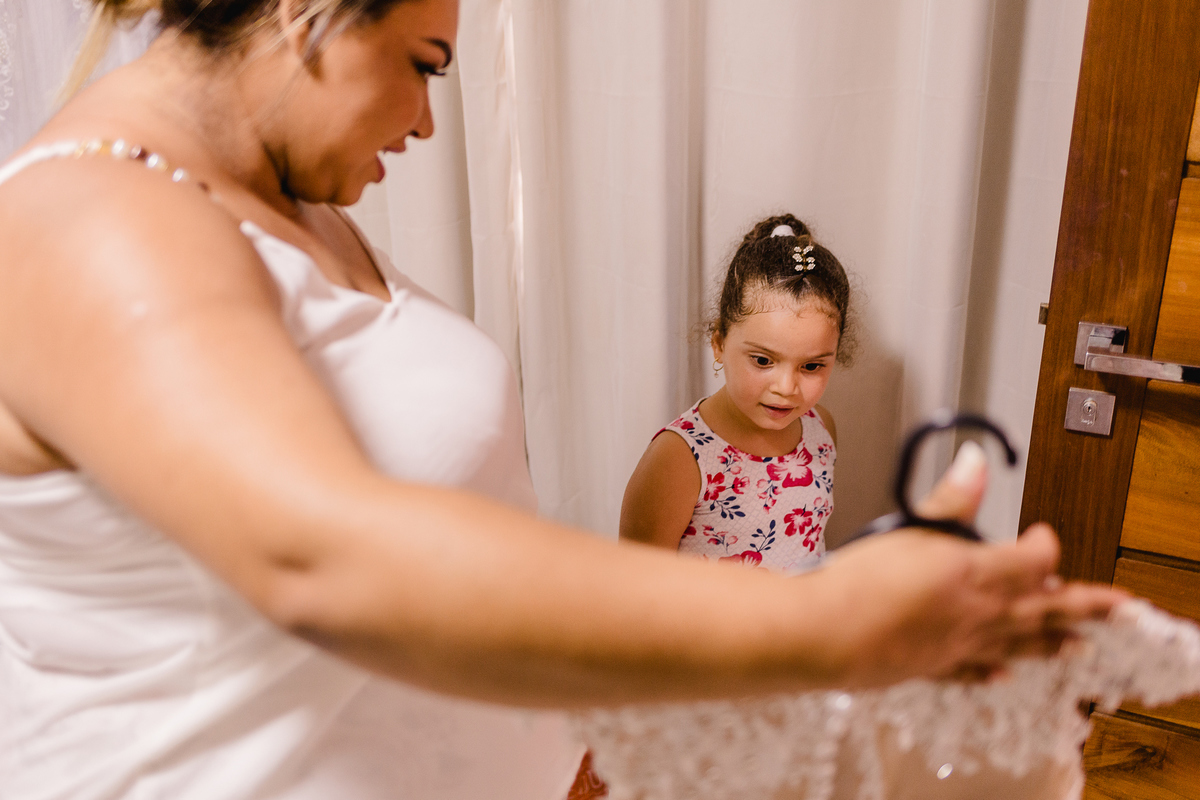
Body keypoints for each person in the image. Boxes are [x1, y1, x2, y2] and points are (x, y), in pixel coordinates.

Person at [0, 1, 1122, 799]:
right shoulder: (95, 224)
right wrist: (836, 624)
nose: (429, 122)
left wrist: (574, 714)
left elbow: (457, 520)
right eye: (425, 62)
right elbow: (320, 556)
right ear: (308, 14)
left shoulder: (281, 205)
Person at [620, 213, 849, 573]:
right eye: (762, 360)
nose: (786, 388)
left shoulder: (822, 430)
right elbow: (636, 589)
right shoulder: (678, 460)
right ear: (719, 343)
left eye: (812, 366)